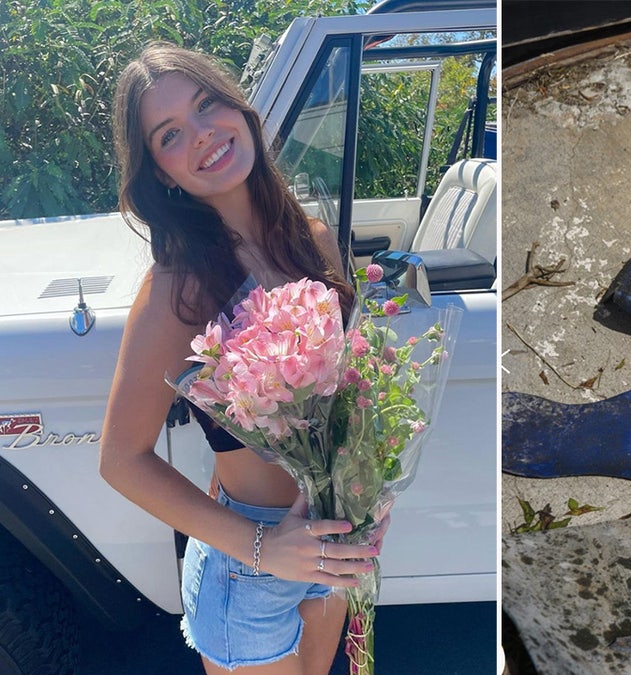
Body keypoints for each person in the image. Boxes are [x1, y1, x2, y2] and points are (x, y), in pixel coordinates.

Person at [99, 43, 377, 674]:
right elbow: (120, 460)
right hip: (249, 564)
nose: (202, 134)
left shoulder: (315, 242)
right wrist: (263, 548)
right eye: (171, 134)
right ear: (161, 171)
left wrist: (368, 494)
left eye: (207, 105)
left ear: (240, 109)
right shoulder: (179, 285)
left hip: (334, 540)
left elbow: (352, 395)